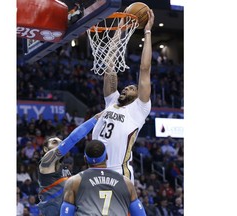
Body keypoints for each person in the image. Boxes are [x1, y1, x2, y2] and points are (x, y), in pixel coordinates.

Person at [92, 9, 155, 183]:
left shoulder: (139, 110)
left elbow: (144, 69)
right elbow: (110, 66)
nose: (126, 88)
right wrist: (120, 29)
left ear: (138, 96)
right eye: (126, 87)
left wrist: (147, 31)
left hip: (118, 172)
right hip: (95, 169)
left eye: (132, 88)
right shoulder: (112, 101)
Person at [37, 113, 102, 216]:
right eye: (54, 142)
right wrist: (95, 119)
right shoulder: (46, 163)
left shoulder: (65, 168)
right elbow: (72, 138)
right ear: (45, 149)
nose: (59, 144)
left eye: (60, 141)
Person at [60, 139, 147, 216]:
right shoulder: (126, 182)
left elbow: (66, 212)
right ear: (107, 156)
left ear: (85, 159)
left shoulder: (74, 182)